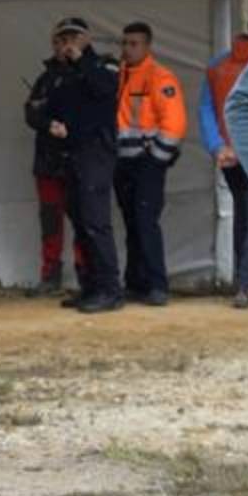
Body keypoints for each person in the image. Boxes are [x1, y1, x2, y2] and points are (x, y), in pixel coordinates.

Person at [46, 17, 122, 313]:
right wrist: (51, 124)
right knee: (80, 222)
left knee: (96, 222)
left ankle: (110, 289)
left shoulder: (104, 64)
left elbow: (106, 89)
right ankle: (90, 286)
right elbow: (47, 107)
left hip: (97, 153)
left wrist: (81, 61)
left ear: (86, 38)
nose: (68, 43)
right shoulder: (59, 73)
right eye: (63, 38)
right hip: (70, 154)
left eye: (73, 37)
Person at [113, 22, 187, 306]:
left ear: (147, 46)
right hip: (122, 162)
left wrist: (156, 160)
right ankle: (136, 282)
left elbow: (174, 124)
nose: (128, 48)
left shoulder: (159, 77)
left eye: (134, 43)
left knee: (145, 223)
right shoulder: (119, 75)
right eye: (125, 43)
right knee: (132, 224)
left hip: (146, 163)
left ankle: (157, 285)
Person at [24, 32, 85, 295]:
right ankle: (50, 275)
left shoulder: (89, 75)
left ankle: (87, 276)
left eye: (68, 42)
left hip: (80, 160)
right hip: (48, 161)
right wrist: (49, 124)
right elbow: (30, 112)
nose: (63, 48)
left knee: (84, 220)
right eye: (58, 43)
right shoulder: (45, 79)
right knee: (50, 220)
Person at [221, 9, 248, 307]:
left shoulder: (218, 65)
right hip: (246, 152)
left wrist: (217, 145)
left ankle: (246, 282)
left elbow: (208, 112)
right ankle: (247, 283)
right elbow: (239, 107)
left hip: (234, 152)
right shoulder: (223, 66)